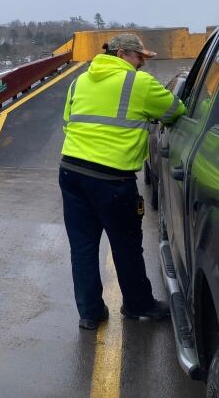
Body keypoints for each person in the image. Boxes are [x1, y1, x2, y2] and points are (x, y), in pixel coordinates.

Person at [59, 33, 186, 330]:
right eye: (140, 57)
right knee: (126, 245)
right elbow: (175, 111)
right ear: (121, 54)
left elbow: (68, 123)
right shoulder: (138, 84)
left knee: (83, 247)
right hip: (112, 178)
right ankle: (138, 304)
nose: (142, 63)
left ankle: (90, 313)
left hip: (71, 173)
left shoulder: (79, 82)